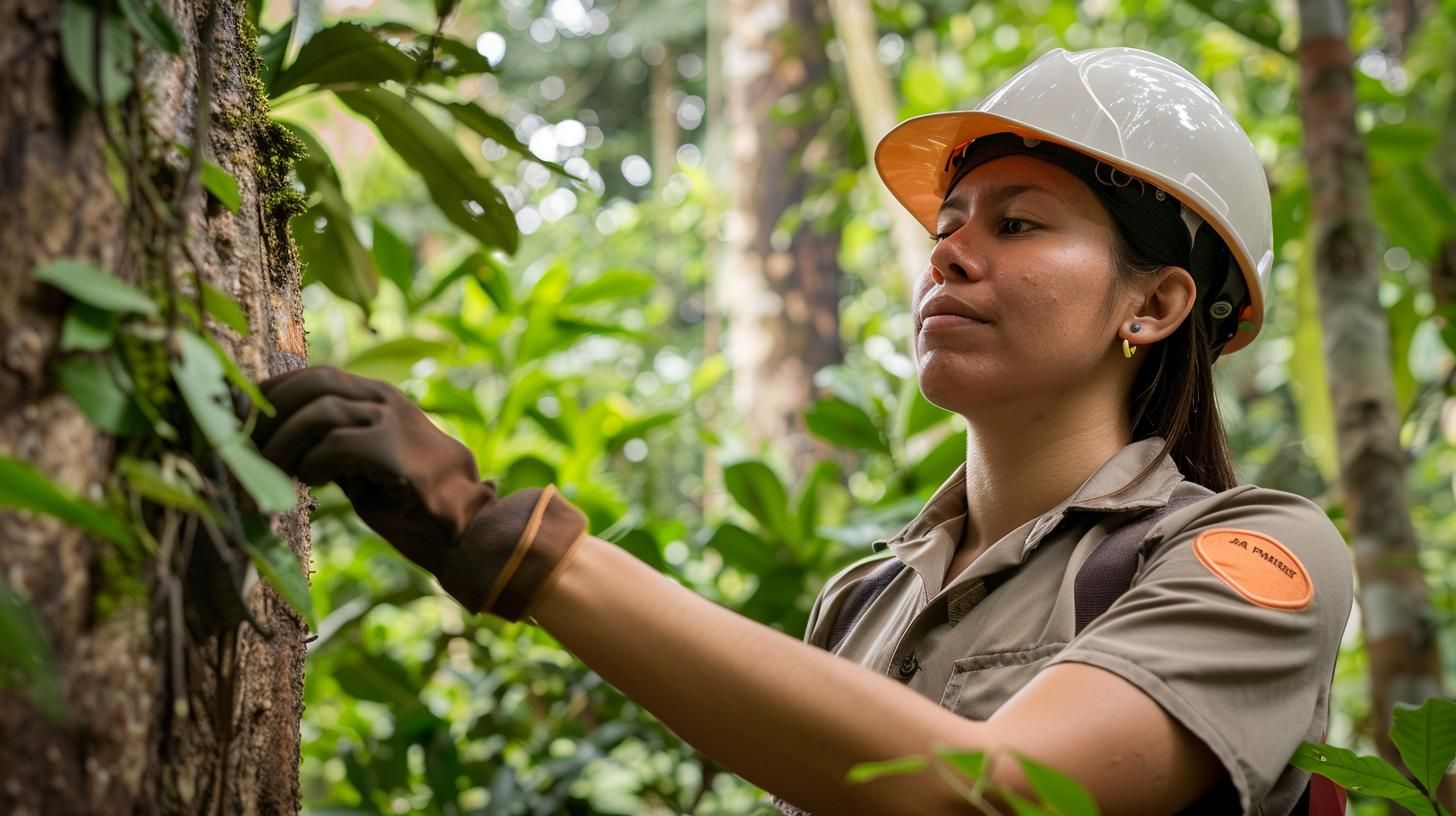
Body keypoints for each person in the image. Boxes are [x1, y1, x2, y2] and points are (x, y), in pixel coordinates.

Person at [251, 47, 1354, 815]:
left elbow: (1001, 792)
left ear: (1153, 307)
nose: (950, 256)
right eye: (949, 226)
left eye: (1017, 224)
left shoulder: (1254, 559)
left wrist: (499, 538)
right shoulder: (864, 599)